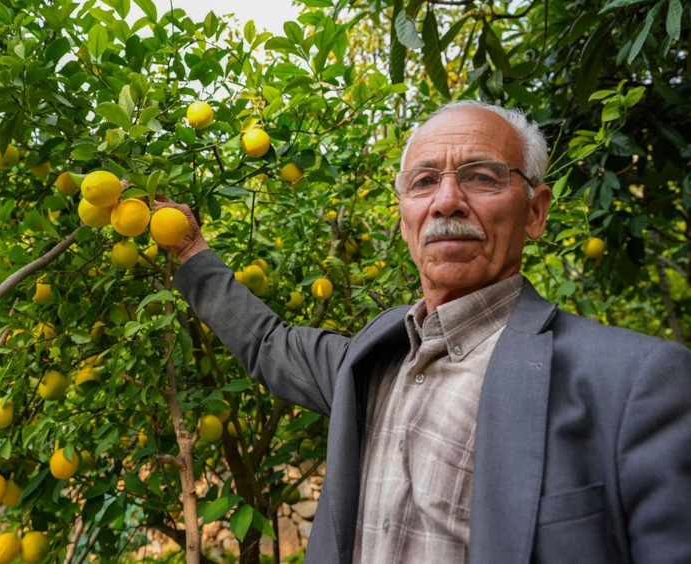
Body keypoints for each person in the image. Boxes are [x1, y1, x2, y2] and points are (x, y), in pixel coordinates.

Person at [157, 101, 691, 563]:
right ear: (405, 214)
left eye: (483, 177)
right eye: (424, 181)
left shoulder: (633, 382)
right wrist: (190, 253)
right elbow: (268, 343)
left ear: (535, 212)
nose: (447, 200)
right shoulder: (370, 360)